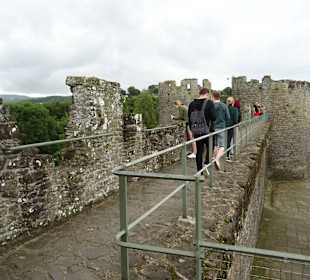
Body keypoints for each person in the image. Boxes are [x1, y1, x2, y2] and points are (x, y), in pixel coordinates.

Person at [188, 88, 216, 172]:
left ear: (200, 93)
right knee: (210, 146)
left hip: (196, 131)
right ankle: (207, 163)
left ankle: (199, 172)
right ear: (207, 94)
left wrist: (192, 130)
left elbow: (189, 119)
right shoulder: (209, 103)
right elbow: (214, 117)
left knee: (199, 151)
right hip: (207, 131)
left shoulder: (192, 104)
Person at [212, 91, 230, 170]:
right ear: (220, 97)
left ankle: (213, 157)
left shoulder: (211, 106)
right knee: (222, 146)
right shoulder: (224, 105)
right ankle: (217, 159)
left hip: (213, 127)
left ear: (213, 97)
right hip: (221, 127)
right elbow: (228, 117)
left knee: (216, 143)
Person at [226, 97, 239, 161]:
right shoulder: (235, 109)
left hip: (224, 126)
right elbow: (235, 120)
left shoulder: (225, 108)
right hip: (231, 127)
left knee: (225, 141)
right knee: (230, 140)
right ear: (233, 102)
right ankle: (228, 155)